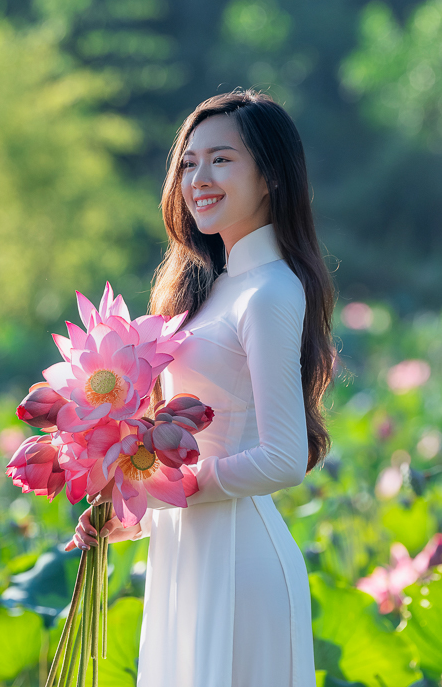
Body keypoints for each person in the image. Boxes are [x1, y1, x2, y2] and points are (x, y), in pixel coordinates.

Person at [67, 89, 336, 686]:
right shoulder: (208, 289)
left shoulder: (271, 291)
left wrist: (160, 490)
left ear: (269, 176)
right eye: (188, 163)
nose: (198, 178)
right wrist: (123, 502)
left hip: (240, 564)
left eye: (222, 159)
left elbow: (283, 459)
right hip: (184, 554)